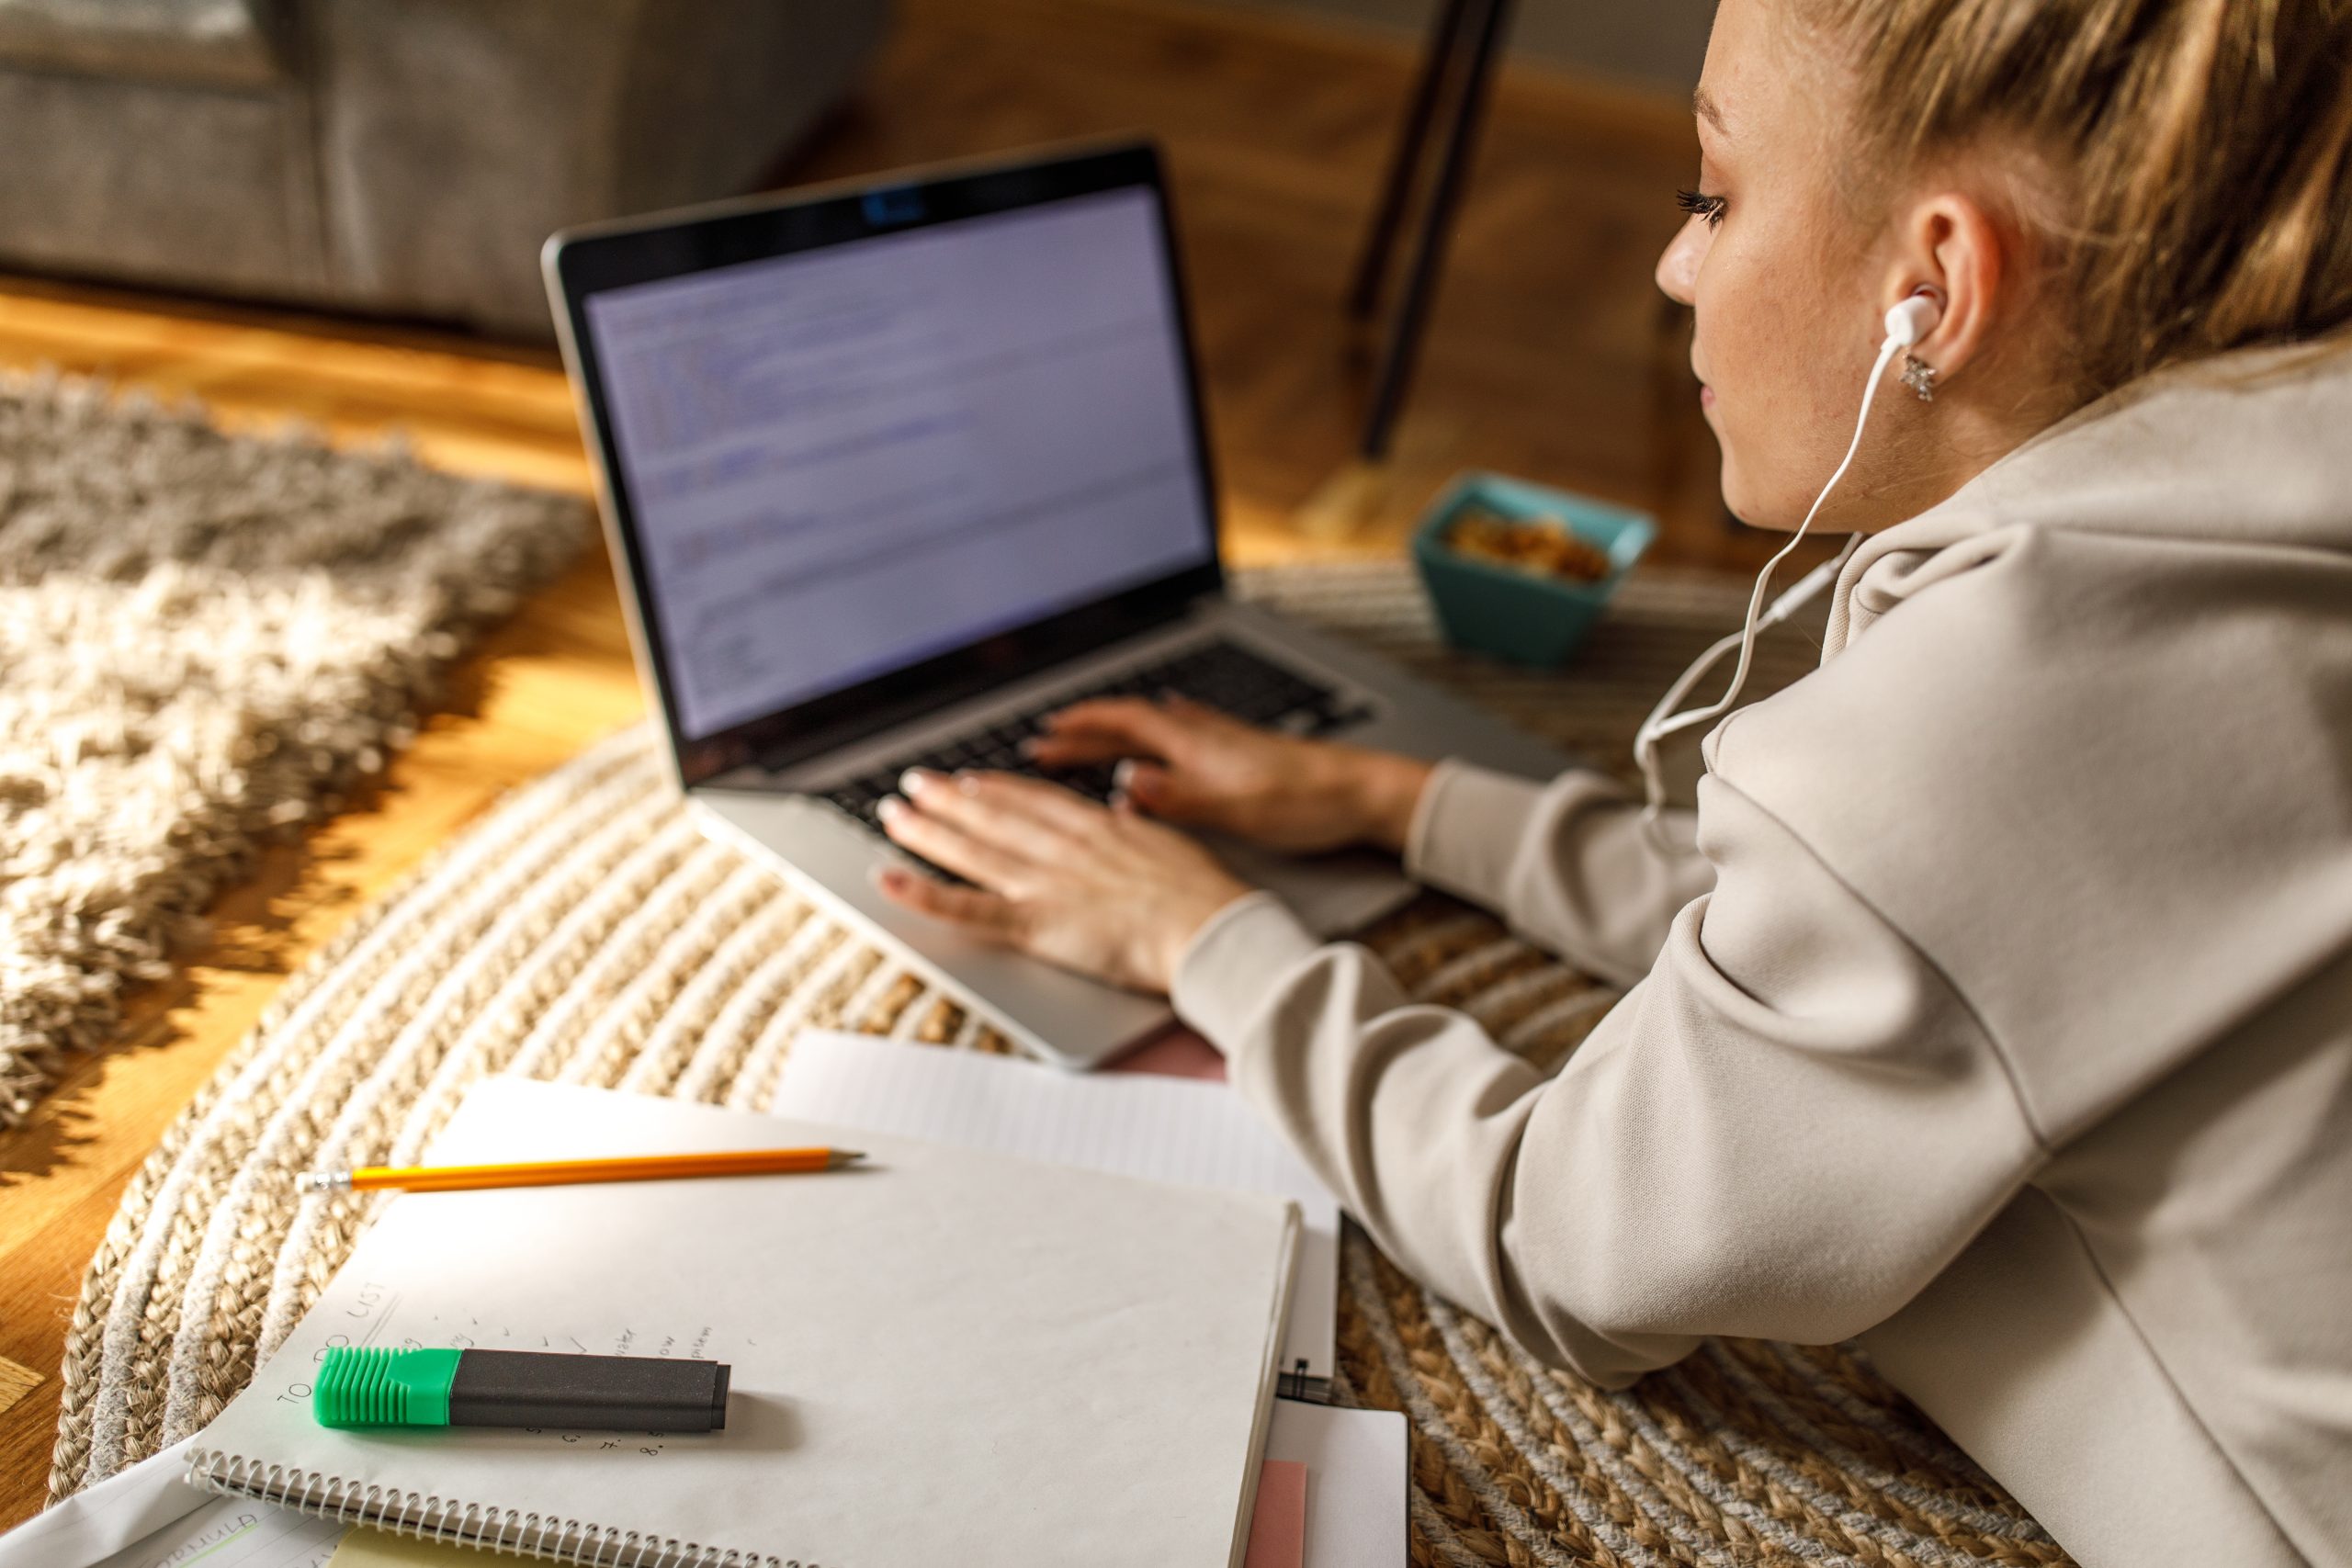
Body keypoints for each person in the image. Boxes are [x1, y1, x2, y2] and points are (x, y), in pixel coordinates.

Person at [869, 0, 2352, 1561]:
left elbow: (1565, 1247)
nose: (1674, 266)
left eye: (1710, 197)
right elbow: (1884, 938)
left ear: (1937, 285)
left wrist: (1202, 943)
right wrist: (1400, 803)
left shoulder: (2009, 706)